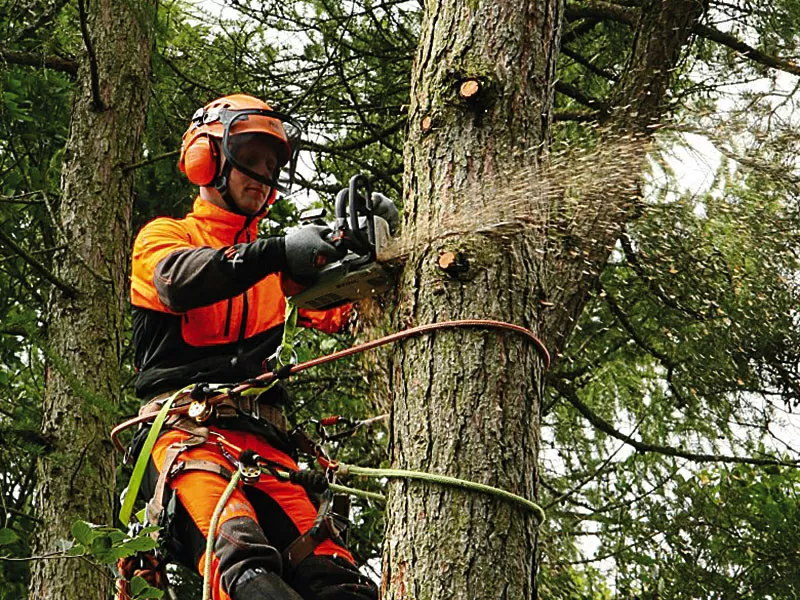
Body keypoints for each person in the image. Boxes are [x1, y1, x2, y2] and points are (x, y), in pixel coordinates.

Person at [129, 94, 395, 600]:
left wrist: (368, 245)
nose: (262, 174)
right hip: (190, 439)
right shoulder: (167, 237)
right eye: (250, 160)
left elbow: (347, 313)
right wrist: (276, 251)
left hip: (270, 453)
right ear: (207, 159)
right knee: (244, 570)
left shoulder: (276, 270)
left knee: (337, 580)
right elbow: (179, 283)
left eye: (272, 165)